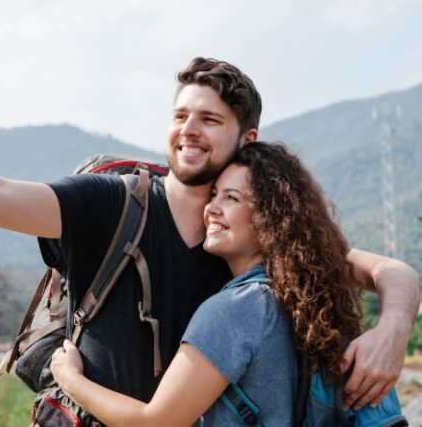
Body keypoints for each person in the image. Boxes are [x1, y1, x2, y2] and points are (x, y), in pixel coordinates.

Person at [0, 24, 419, 416]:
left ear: (245, 140)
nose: (189, 130)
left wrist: (391, 334)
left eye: (210, 119)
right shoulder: (109, 205)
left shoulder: (251, 237)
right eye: (181, 115)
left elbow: (393, 273)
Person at [50, 142, 404, 425]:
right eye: (214, 195)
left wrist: (70, 379)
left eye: (231, 198)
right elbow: (392, 271)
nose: (212, 209)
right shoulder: (313, 298)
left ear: (271, 219)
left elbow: (155, 422)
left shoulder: (235, 310)